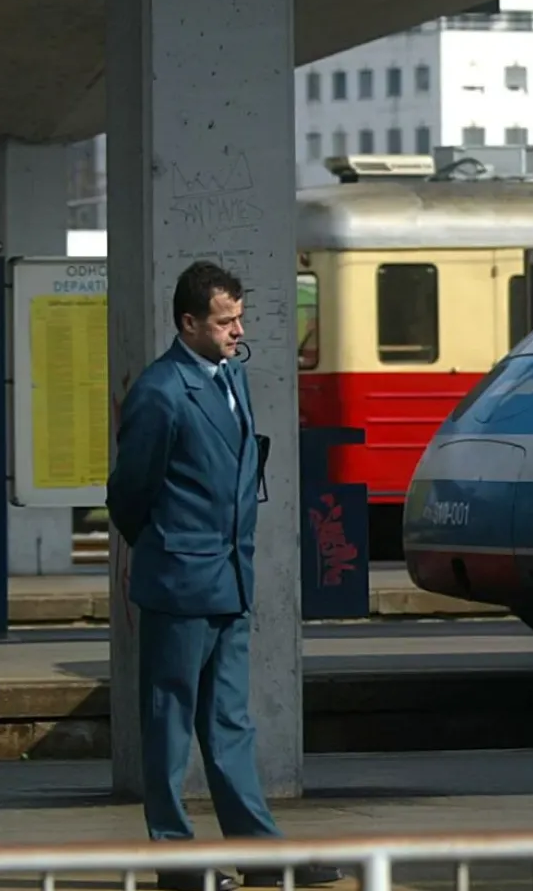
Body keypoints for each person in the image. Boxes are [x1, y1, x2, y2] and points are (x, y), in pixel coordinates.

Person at [108, 261, 343, 891]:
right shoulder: (161, 391)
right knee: (169, 724)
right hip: (180, 583)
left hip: (231, 579)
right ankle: (176, 862)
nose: (238, 331)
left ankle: (261, 856)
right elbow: (129, 492)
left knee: (230, 724)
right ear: (188, 323)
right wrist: (167, 547)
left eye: (240, 318)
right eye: (224, 321)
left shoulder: (231, 375)